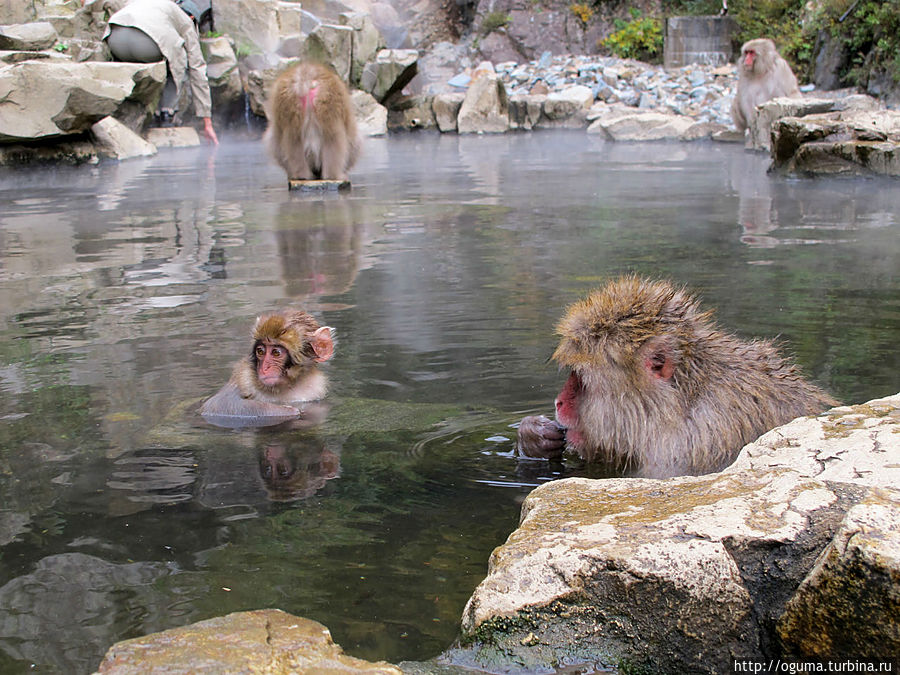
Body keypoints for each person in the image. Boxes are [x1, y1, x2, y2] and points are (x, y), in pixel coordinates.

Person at [89, 0, 218, 144]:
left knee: (164, 47)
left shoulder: (150, 4)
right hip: (145, 45)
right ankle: (166, 113)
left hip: (115, 40)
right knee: (178, 54)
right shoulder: (185, 20)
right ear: (193, 17)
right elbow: (197, 67)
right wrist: (207, 122)